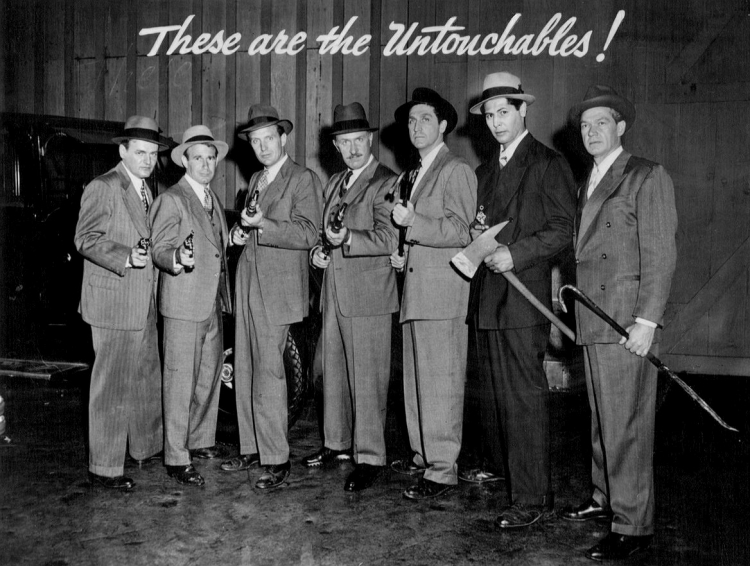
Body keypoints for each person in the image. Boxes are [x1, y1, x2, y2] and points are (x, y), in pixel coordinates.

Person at [563, 85, 677, 561]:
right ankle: (605, 496)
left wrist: (647, 321)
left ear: (621, 127)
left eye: (602, 123)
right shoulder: (587, 180)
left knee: (626, 423)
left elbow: (661, 254)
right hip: (594, 316)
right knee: (602, 417)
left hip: (625, 320)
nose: (591, 132)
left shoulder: (645, 175)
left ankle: (633, 524)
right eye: (585, 126)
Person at [465, 72, 576, 528]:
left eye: (503, 112)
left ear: (523, 110)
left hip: (523, 300)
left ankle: (532, 498)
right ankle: (501, 470)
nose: (496, 122)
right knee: (495, 395)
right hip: (487, 298)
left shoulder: (547, 163)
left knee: (524, 399)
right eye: (489, 115)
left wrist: (516, 253)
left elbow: (562, 229)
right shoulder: (484, 171)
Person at [223, 105, 323, 490]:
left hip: (277, 289)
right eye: (255, 141)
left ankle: (277, 459)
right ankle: (251, 449)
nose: (263, 147)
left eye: (269, 138)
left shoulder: (302, 178)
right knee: (246, 366)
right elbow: (254, 227)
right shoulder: (256, 179)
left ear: (283, 138)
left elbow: (308, 233)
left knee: (268, 371)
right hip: (249, 281)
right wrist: (241, 233)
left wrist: (262, 223)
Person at [302, 102, 399, 492]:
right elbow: (324, 235)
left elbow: (389, 238)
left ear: (370, 140)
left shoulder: (385, 182)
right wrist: (319, 252)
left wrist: (348, 239)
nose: (353, 148)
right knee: (334, 374)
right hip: (335, 292)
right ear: (336, 146)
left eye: (359, 140)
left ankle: (370, 456)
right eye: (346, 142)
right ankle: (336, 443)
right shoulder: (335, 183)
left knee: (368, 380)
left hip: (370, 296)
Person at [389, 88, 477, 500]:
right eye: (411, 121)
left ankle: (442, 469)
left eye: (425, 119)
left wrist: (414, 223)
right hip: (417, 291)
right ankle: (424, 456)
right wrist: (402, 255)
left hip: (442, 296)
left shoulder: (455, 169)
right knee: (417, 383)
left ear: (442, 125)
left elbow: (462, 231)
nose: (416, 127)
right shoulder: (416, 172)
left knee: (440, 383)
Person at [74, 115, 168, 490]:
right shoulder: (104, 186)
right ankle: (105, 468)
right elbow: (85, 238)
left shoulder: (147, 190)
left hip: (142, 300)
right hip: (113, 302)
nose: (147, 160)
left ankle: (144, 448)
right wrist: (126, 256)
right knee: (111, 386)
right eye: (140, 152)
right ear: (123, 151)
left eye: (153, 154)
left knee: (145, 377)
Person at [149, 125, 231, 487]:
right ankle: (176, 457)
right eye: (198, 158)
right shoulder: (173, 199)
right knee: (180, 383)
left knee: (208, 377)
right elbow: (159, 248)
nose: (206, 164)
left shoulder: (212, 199)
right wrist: (176, 258)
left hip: (211, 303)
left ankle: (199, 441)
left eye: (211, 158)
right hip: (183, 303)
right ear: (185, 161)